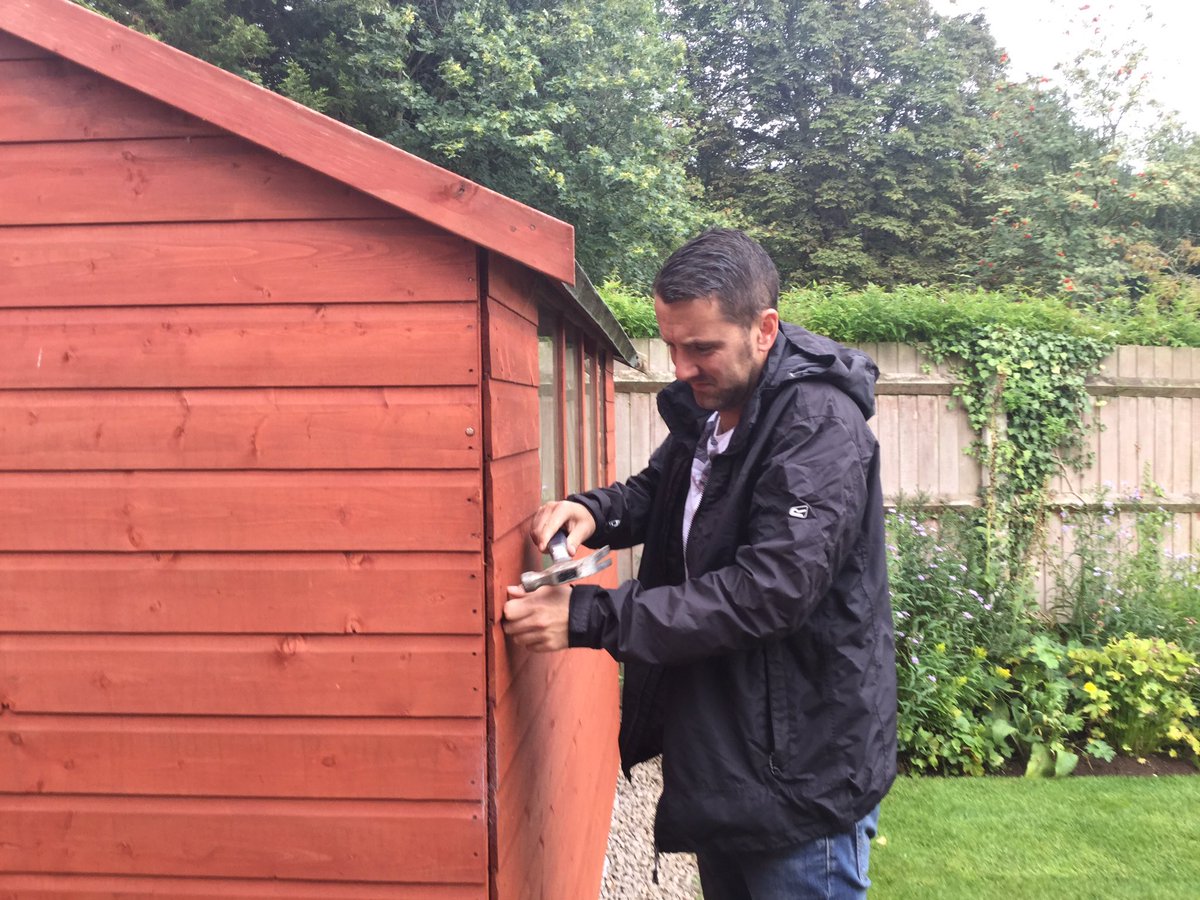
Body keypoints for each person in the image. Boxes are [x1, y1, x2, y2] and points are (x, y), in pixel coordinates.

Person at [502, 228, 896, 899]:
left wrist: (591, 615)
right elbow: (664, 490)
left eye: (701, 347)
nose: (680, 367)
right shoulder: (715, 409)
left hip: (801, 772)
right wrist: (598, 511)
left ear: (764, 328)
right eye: (672, 345)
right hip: (731, 761)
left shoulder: (818, 426)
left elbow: (769, 591)